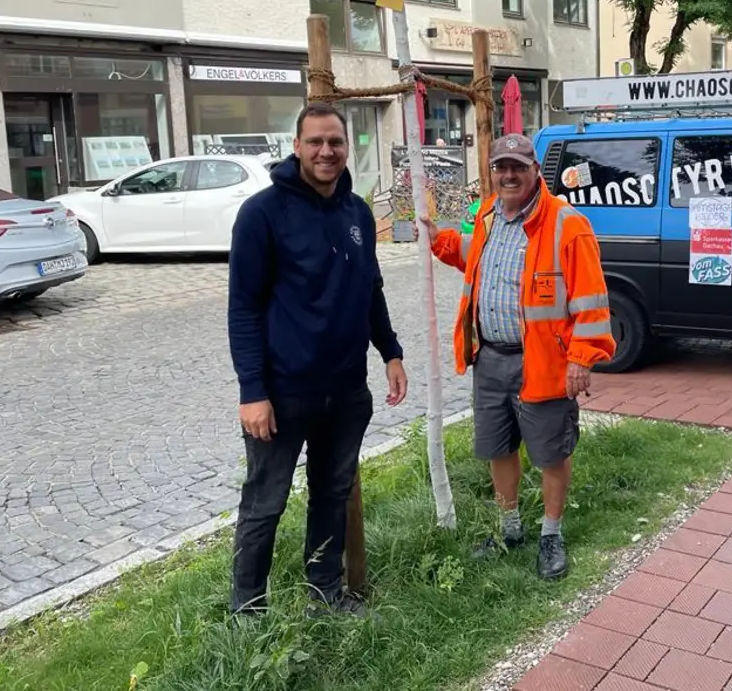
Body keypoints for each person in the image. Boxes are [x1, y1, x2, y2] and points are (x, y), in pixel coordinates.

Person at [227, 102, 408, 618]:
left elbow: (368, 289)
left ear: (347, 147)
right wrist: (252, 392)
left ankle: (324, 595)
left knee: (331, 494)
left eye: (335, 142)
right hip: (283, 393)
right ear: (297, 146)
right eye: (316, 142)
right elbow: (243, 308)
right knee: (266, 503)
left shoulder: (356, 211)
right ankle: (248, 610)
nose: (326, 152)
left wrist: (390, 352)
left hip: (346, 390)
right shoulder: (263, 214)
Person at [419, 134, 614, 581]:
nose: (508, 175)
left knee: (549, 452)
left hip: (543, 362)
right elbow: (474, 258)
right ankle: (509, 530)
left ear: (534, 172)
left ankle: (551, 535)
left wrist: (582, 358)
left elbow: (592, 298)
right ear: (492, 172)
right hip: (490, 359)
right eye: (500, 167)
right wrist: (440, 242)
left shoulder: (568, 225)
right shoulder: (488, 215)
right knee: (498, 447)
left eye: (517, 167)